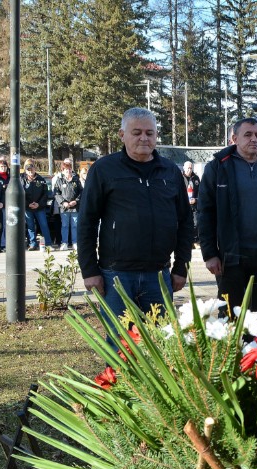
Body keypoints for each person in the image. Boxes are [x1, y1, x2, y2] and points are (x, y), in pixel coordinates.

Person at [78, 107, 193, 327]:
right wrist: (90, 270)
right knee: (120, 344)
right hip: (116, 275)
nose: (144, 138)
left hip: (159, 274)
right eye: (137, 132)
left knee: (162, 343)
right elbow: (87, 222)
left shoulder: (170, 172)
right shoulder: (104, 170)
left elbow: (185, 222)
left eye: (150, 133)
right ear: (122, 135)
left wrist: (181, 267)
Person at [197, 118, 257, 321]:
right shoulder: (218, 167)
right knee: (229, 315)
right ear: (234, 138)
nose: (254, 139)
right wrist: (209, 254)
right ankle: (231, 353)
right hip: (230, 256)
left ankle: (255, 353)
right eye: (248, 135)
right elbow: (205, 212)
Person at [21, 159, 52, 250]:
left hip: (39, 208)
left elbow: (45, 194)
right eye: (28, 170)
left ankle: (48, 244)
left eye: (32, 169)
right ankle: (32, 243)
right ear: (25, 170)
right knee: (30, 226)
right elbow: (20, 194)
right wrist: (27, 204)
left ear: (35, 169)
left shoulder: (41, 180)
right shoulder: (22, 180)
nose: (30, 171)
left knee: (44, 225)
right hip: (28, 208)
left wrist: (38, 204)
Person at [55, 158, 83, 250]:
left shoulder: (76, 179)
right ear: (62, 171)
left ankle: (75, 242)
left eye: (69, 169)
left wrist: (76, 201)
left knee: (75, 225)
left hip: (75, 207)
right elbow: (56, 193)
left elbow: (81, 192)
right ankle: (65, 243)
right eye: (66, 169)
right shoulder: (59, 180)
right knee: (65, 226)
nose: (68, 171)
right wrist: (63, 202)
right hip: (64, 208)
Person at [182, 161, 200, 246]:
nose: (189, 170)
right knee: (184, 224)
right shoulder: (180, 177)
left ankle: (195, 241)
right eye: (188, 168)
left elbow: (200, 192)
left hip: (194, 205)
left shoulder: (196, 178)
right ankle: (186, 241)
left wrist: (196, 200)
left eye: (191, 168)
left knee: (195, 223)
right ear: (184, 168)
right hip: (183, 205)